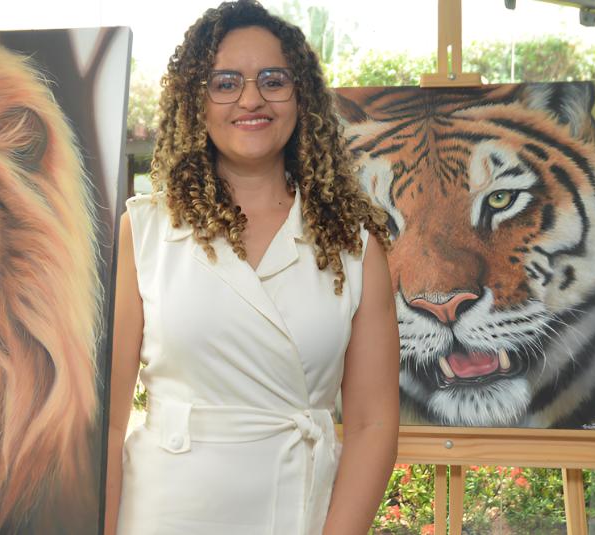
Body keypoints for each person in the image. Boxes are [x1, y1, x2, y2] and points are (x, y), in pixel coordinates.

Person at [105, 1, 400, 534]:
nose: (250, 99)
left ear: (301, 96)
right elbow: (105, 421)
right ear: (196, 102)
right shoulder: (144, 230)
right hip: (161, 515)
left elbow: (373, 425)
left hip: (299, 514)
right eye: (225, 83)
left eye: (273, 80)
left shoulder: (355, 247)